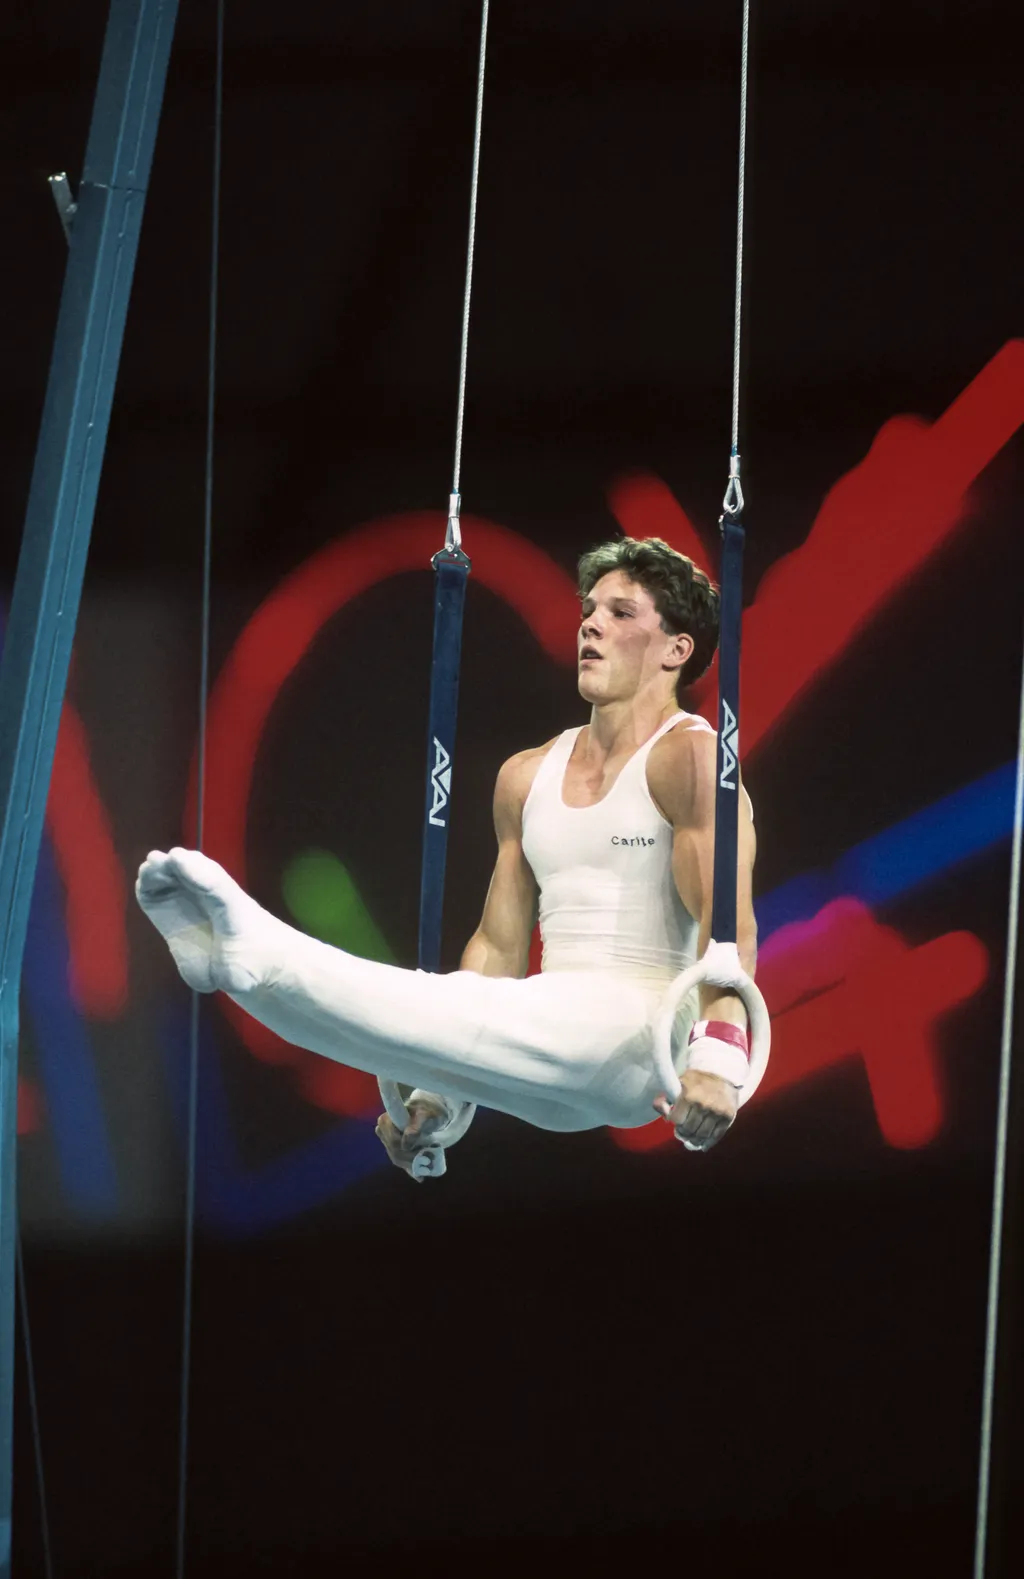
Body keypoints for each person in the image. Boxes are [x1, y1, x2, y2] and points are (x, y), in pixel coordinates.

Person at [136, 535, 758, 1179]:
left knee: (401, 1010)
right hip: (550, 1046)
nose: (592, 625)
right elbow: (495, 946)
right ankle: (237, 970)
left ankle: (259, 953)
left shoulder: (690, 757)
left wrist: (719, 1060)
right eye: (589, 611)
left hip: (637, 1042)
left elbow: (729, 922)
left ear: (677, 650)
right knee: (374, 1035)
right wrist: (437, 1096)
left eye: (621, 613)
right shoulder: (525, 776)